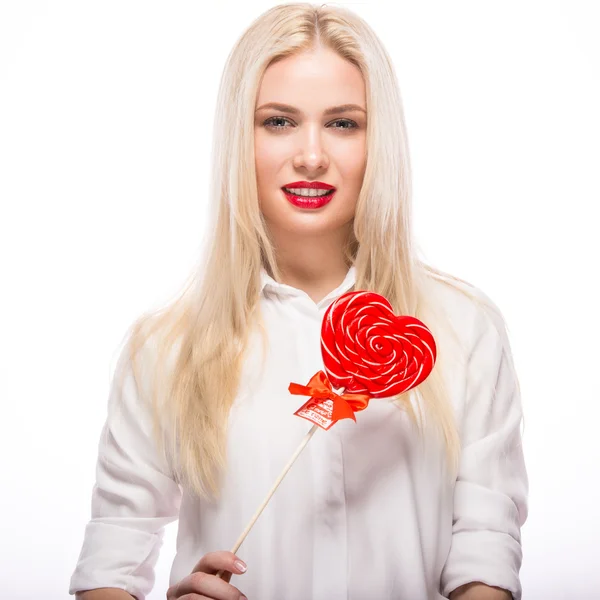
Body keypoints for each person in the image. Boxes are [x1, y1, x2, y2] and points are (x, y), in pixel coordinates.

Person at [69, 3, 528, 600]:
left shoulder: (463, 329)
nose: (311, 155)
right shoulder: (165, 349)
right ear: (241, 137)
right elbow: (112, 556)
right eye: (279, 121)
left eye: (343, 124)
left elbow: (487, 549)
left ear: (378, 140)